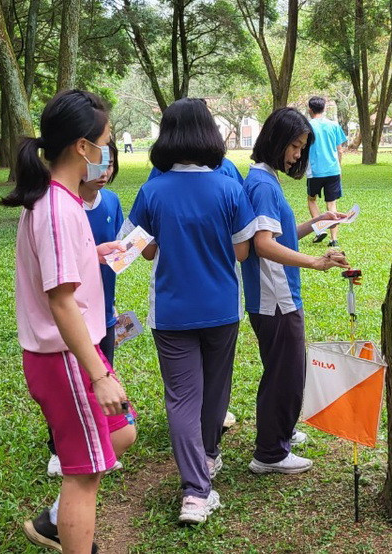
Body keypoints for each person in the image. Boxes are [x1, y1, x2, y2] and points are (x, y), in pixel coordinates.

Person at [0, 89, 136, 554]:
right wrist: (98, 374)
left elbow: (57, 269)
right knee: (85, 475)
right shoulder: (58, 208)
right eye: (105, 139)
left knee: (122, 432)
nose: (107, 149)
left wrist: (90, 253)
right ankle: (68, 533)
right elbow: (60, 303)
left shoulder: (59, 201)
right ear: (83, 147)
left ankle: (53, 523)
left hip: (73, 353)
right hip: (66, 359)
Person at [127, 97, 258, 525]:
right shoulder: (230, 189)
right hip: (221, 308)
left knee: (182, 398)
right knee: (216, 390)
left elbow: (143, 251)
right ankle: (210, 455)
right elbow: (242, 251)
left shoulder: (152, 190)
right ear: (209, 135)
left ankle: (195, 494)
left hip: (171, 311)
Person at [241, 107, 350, 477]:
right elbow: (264, 245)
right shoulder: (261, 185)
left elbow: (279, 234)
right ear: (276, 140)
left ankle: (280, 434)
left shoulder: (264, 179)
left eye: (302, 148)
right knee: (285, 373)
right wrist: (315, 262)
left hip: (276, 296)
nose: (297, 155)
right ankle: (270, 453)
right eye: (295, 146)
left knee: (284, 369)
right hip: (275, 298)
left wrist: (317, 221)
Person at [47, 144, 125, 477]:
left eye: (111, 164)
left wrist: (123, 254)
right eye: (100, 163)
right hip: (73, 312)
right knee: (69, 386)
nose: (105, 171)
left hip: (104, 308)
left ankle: (98, 442)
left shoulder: (112, 202)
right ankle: (57, 448)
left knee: (100, 379)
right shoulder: (64, 206)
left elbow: (118, 252)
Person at [305, 96, 348, 247]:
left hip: (315, 171)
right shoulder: (334, 125)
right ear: (324, 109)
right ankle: (334, 239)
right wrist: (339, 167)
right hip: (333, 170)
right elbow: (340, 150)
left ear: (310, 109)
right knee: (332, 204)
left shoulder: (307, 126)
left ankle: (320, 229)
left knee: (312, 199)